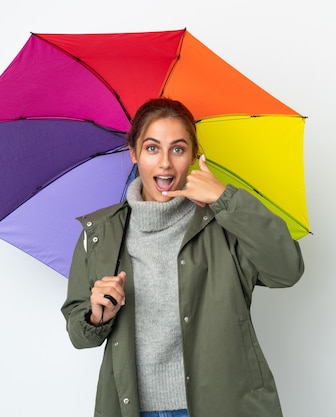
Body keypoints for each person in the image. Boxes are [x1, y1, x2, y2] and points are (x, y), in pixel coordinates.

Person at [62, 98, 304, 417]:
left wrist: (224, 199)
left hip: (221, 406)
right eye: (152, 148)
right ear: (134, 153)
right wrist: (97, 316)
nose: (164, 163)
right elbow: (80, 336)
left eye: (178, 149)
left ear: (193, 155)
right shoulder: (100, 233)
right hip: (134, 408)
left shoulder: (224, 223)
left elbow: (287, 270)